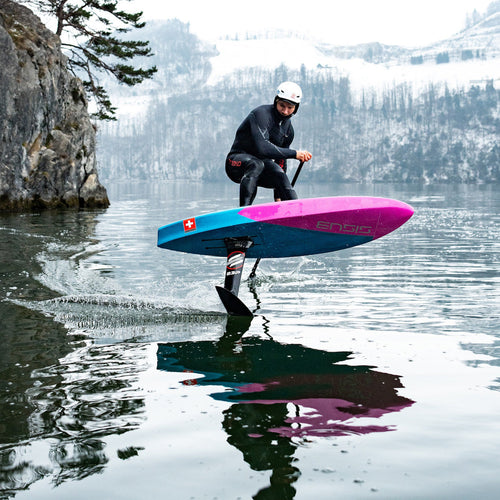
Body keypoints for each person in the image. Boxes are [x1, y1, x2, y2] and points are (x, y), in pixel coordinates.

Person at [225, 82, 312, 206]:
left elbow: (281, 161)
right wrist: (295, 154)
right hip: (235, 163)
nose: (285, 111)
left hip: (261, 166)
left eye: (290, 108)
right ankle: (243, 211)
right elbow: (263, 148)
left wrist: (278, 196)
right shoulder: (261, 114)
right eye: (282, 105)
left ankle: (294, 211)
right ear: (276, 101)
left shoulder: (288, 130)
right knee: (256, 164)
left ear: (296, 108)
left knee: (280, 174)